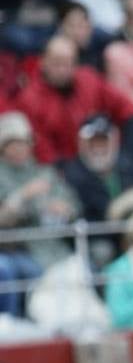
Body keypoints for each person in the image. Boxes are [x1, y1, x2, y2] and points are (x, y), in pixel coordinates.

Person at [16, 33, 133, 166]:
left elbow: (129, 110)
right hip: (64, 168)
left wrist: (126, 153)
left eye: (68, 63)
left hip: (103, 157)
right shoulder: (29, 100)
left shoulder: (89, 79)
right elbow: (43, 151)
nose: (62, 69)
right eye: (56, 63)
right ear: (43, 61)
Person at [0, 111, 80, 316]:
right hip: (17, 248)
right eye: (12, 143)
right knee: (32, 273)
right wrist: (23, 196)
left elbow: (73, 207)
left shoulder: (45, 173)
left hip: (55, 245)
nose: (19, 148)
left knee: (83, 269)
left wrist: (64, 209)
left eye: (23, 142)